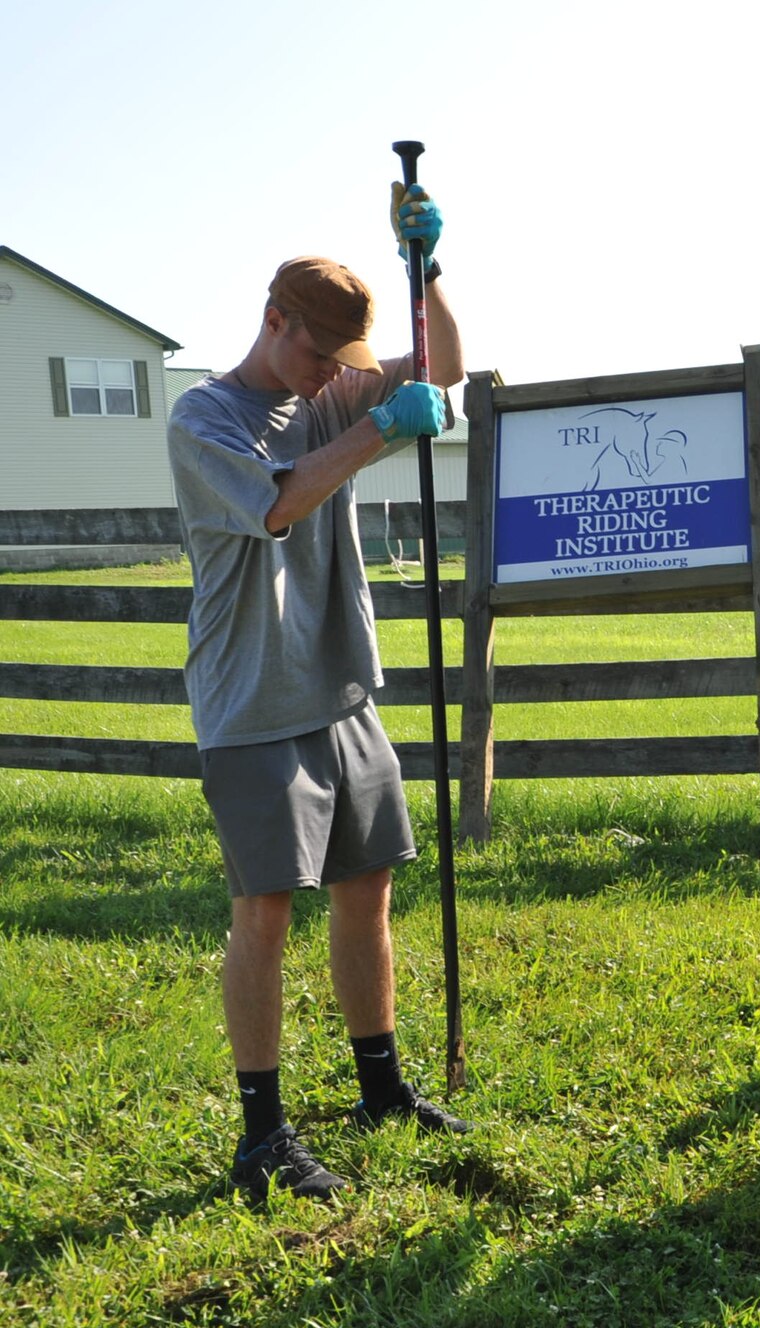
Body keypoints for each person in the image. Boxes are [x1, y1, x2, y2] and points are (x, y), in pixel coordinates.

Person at [167, 183, 471, 1204]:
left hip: (344, 687)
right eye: (312, 354)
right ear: (273, 318)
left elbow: (446, 369)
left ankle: (380, 1087)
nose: (323, 375)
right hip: (253, 698)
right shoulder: (204, 416)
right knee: (263, 911)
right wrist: (379, 428)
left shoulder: (325, 393)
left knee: (367, 888)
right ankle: (262, 1134)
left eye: (338, 364)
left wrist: (424, 271)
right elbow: (280, 502)